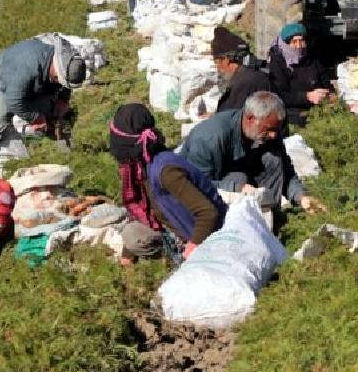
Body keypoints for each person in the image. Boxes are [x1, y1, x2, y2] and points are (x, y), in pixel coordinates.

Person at [178, 91, 325, 224]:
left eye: (276, 130)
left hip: (240, 179)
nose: (273, 135)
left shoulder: (268, 133)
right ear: (250, 118)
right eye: (269, 129)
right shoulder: (209, 138)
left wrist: (302, 197)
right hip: (205, 194)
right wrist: (237, 188)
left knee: (273, 159)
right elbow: (196, 183)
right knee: (239, 178)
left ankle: (269, 218)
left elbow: (286, 170)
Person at [108, 103, 227, 263]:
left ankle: (176, 252)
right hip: (174, 225)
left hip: (204, 234)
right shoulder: (139, 167)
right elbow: (142, 207)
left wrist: (193, 247)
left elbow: (208, 212)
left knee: (132, 234)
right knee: (132, 233)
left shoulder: (166, 172)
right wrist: (127, 256)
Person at [0, 36, 87, 171]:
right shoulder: (27, 67)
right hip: (0, 86)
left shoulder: (67, 62)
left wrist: (63, 100)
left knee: (55, 114)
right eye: (58, 79)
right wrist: (35, 118)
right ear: (56, 69)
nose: (60, 82)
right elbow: (13, 101)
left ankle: (64, 155)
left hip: (33, 86)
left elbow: (65, 84)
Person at [267, 22, 333, 127]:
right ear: (286, 43)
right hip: (292, 113)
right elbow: (278, 95)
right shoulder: (277, 62)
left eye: (301, 41)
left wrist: (330, 94)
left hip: (318, 109)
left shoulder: (311, 56)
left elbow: (324, 78)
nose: (298, 46)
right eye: (294, 42)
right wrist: (307, 96)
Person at [212, 26, 269, 113]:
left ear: (226, 60)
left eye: (216, 62)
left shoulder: (244, 83)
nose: (217, 67)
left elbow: (232, 116)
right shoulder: (253, 74)